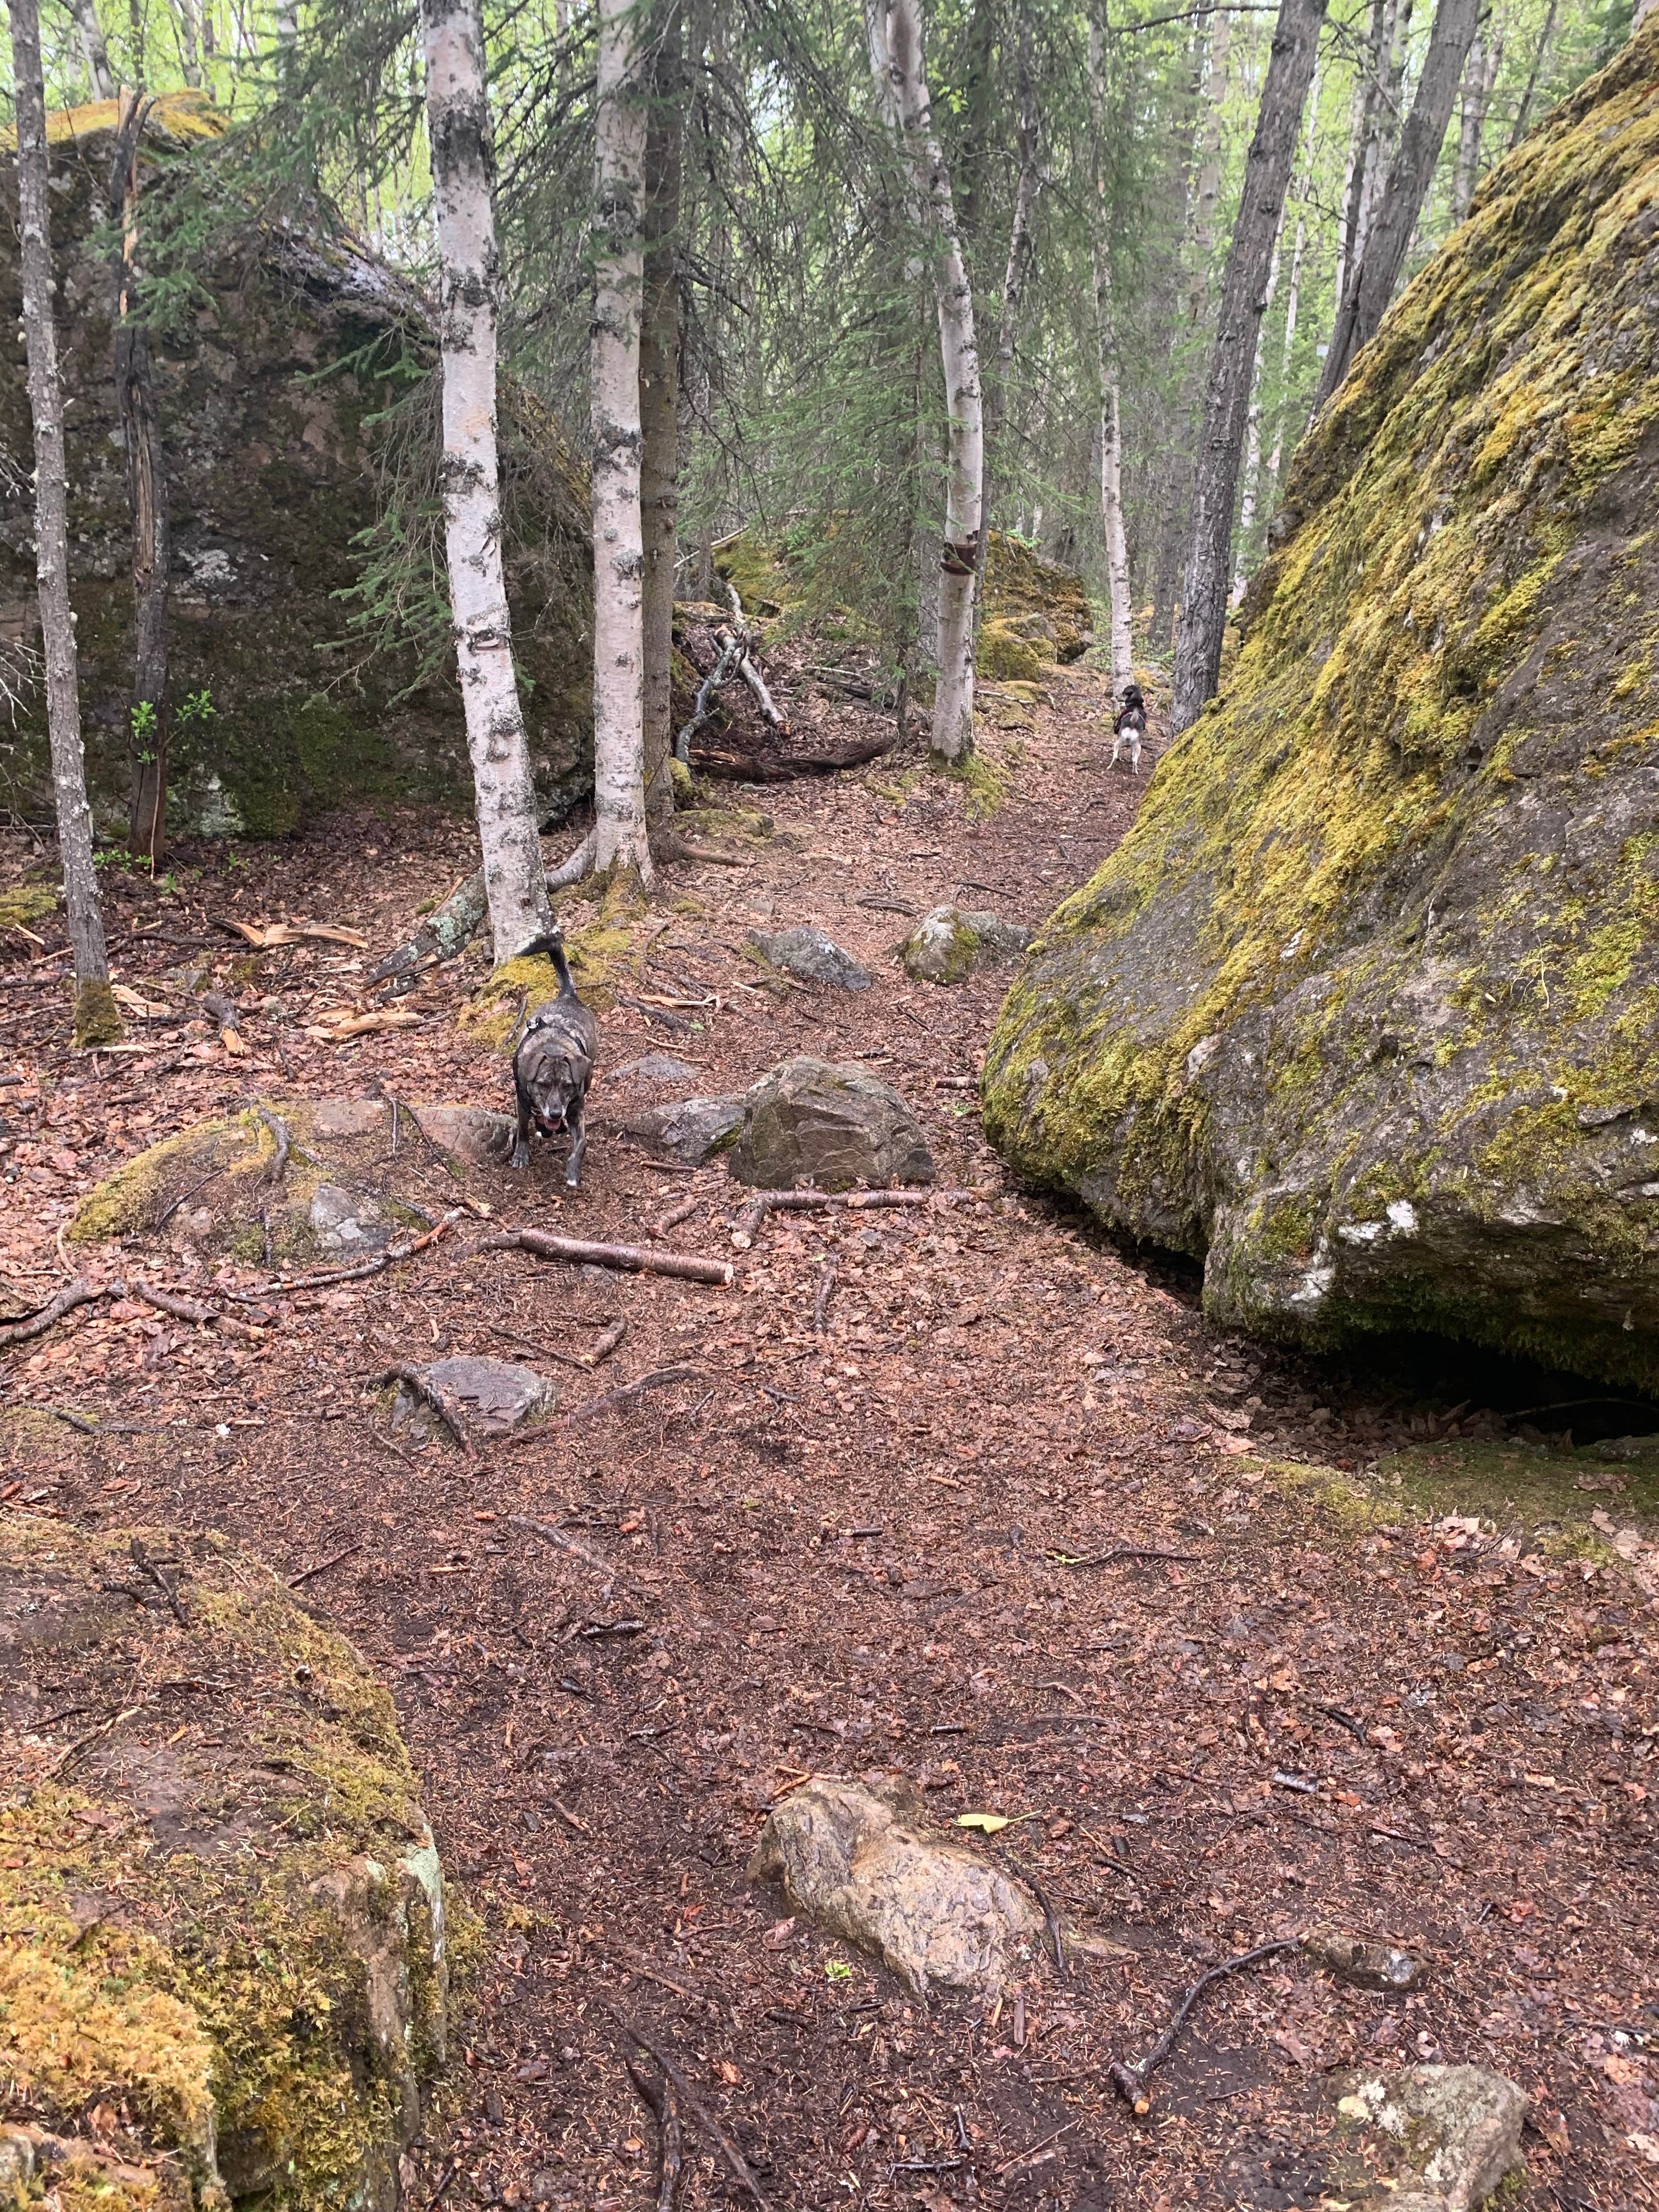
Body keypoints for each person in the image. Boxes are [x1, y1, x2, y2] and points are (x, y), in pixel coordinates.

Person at [1111, 682, 1148, 772]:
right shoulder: (1143, 713)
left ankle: (1116, 756)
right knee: (1137, 745)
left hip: (1125, 730)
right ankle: (1135, 762)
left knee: (1119, 741)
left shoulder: (1126, 712)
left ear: (1129, 697)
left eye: (1125, 696)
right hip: (1136, 732)